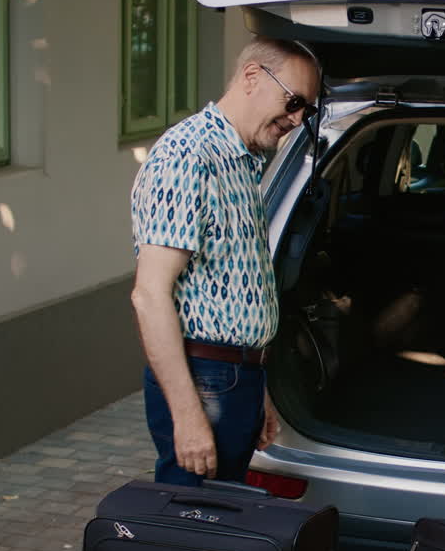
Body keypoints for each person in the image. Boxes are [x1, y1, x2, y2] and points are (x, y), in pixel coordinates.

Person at [129, 36, 321, 485]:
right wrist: (189, 417)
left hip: (233, 378)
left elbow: (232, 290)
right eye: (293, 102)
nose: (296, 119)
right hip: (205, 381)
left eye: (305, 110)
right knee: (190, 535)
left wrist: (257, 389)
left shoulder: (240, 159)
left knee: (215, 532)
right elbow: (149, 296)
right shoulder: (187, 157)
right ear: (253, 77)